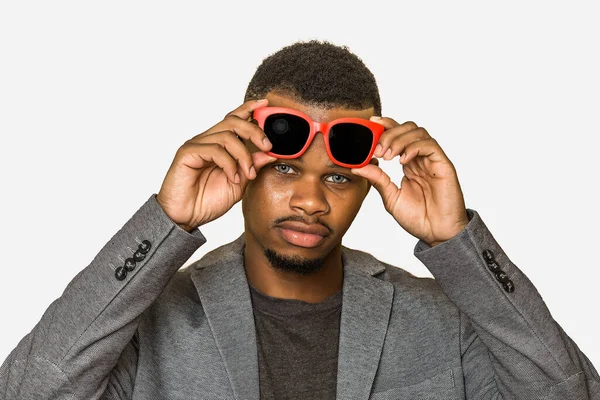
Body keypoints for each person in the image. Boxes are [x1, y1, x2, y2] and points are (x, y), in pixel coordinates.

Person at [1, 40, 598, 400]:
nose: (312, 200)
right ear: (242, 164)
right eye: (286, 169)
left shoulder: (447, 318)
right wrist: (164, 222)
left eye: (338, 178)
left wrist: (457, 241)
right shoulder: (147, 324)